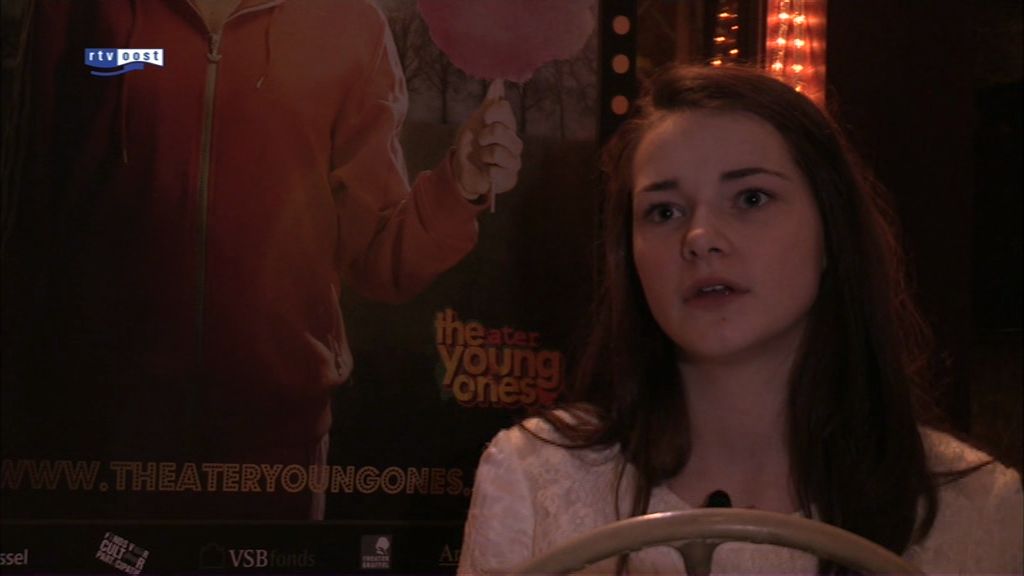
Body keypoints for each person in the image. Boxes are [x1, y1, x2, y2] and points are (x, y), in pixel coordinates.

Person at [457, 65, 1022, 574]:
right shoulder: (535, 476)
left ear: (832, 231)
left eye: (751, 199)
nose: (700, 237)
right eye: (664, 211)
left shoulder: (977, 507)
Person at [1, 0, 520, 520]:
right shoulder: (74, 10)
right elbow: (27, 219)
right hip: (96, 435)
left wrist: (460, 186)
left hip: (276, 447)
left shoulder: (350, 22)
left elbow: (378, 257)